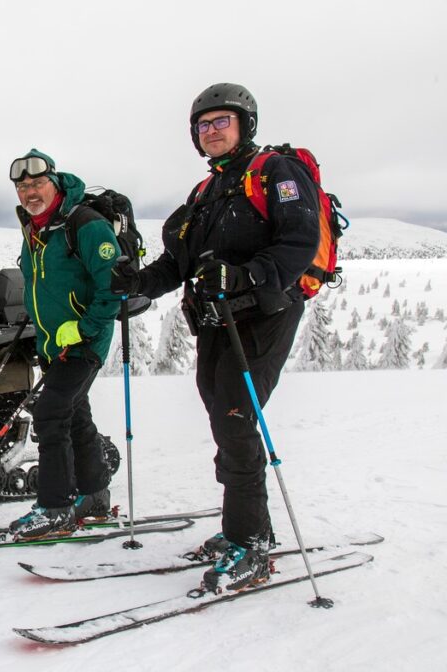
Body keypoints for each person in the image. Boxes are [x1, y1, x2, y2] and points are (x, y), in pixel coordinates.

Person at [111, 83, 321, 591]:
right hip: (214, 321)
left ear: (244, 124)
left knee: (234, 416)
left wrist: (244, 276)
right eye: (203, 125)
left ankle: (250, 543)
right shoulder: (206, 193)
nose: (211, 131)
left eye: (221, 121)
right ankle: (245, 530)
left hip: (264, 314)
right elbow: (176, 264)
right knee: (223, 415)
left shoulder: (276, 172)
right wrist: (137, 283)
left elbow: (299, 241)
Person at [7, 149, 122, 540]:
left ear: (54, 183)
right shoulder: (36, 230)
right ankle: (93, 496)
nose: (30, 192)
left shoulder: (86, 226)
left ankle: (54, 507)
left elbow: (114, 287)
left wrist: (84, 328)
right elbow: (42, 290)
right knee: (75, 415)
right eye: (23, 187)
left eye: (37, 183)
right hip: (54, 346)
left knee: (51, 413)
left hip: (85, 341)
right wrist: (43, 338)